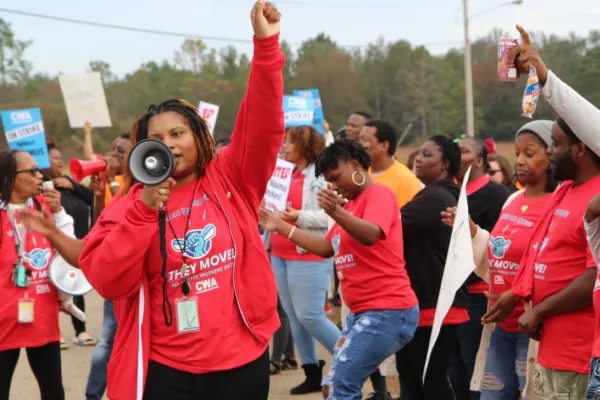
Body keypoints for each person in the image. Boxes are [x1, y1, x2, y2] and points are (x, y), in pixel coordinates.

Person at [77, 3, 283, 399]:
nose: (170, 144)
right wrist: (143, 211)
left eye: (179, 133)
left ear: (200, 138)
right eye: (160, 137)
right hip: (165, 368)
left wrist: (266, 47)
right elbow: (105, 278)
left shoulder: (229, 176)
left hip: (241, 359)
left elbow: (262, 125)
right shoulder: (128, 203)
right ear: (146, 148)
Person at [260, 139, 419, 400]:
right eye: (329, 182)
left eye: (336, 178)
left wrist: (336, 211)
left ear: (355, 165)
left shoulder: (378, 194)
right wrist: (281, 227)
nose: (334, 187)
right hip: (362, 314)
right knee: (330, 387)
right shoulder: (352, 206)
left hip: (387, 310)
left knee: (339, 387)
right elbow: (326, 247)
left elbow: (371, 234)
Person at [492, 24, 600, 399]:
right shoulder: (565, 191)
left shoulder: (597, 199)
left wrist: (538, 311)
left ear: (581, 149)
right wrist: (520, 294)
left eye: (553, 145)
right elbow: (542, 252)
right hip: (553, 345)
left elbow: (591, 276)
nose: (549, 153)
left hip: (581, 350)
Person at [443, 120, 558, 399]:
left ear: (553, 155)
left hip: (533, 330)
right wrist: (471, 230)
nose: (519, 161)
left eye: (529, 154)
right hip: (500, 327)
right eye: (517, 153)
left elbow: (555, 269)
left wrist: (519, 296)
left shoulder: (558, 204)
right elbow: (495, 256)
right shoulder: (514, 199)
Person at [395, 135, 469, 400]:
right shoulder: (441, 193)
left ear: (445, 164)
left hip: (431, 300)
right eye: (418, 152)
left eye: (427, 155)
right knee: (418, 378)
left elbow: (388, 228)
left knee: (428, 381)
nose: (418, 158)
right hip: (432, 298)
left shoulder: (434, 196)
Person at [269, 125, 340, 395]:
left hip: (309, 253)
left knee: (311, 316)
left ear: (305, 147)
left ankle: (355, 359)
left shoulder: (321, 175)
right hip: (280, 253)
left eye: (290, 142)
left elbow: (329, 218)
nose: (284, 147)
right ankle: (312, 371)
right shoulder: (284, 173)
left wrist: (296, 216)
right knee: (295, 318)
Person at [0, 150, 76, 400]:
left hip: (42, 314)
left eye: (38, 169)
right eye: (31, 171)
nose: (39, 176)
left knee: (53, 391)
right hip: (4, 320)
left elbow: (72, 252)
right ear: (9, 178)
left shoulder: (45, 207)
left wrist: (59, 214)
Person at [450, 136, 510, 400]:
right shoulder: (447, 193)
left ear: (480, 160)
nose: (455, 154)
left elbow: (498, 246)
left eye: (463, 151)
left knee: (475, 363)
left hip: (477, 294)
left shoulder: (497, 196)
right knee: (453, 367)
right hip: (450, 294)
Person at [43, 145, 96, 348]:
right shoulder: (41, 188)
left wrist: (72, 185)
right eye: (55, 158)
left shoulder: (70, 183)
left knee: (75, 286)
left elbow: (91, 198)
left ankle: (80, 330)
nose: (60, 161)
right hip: (54, 247)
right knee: (50, 289)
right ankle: (54, 333)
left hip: (78, 244)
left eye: (60, 158)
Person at [359, 120, 423, 207]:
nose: (359, 145)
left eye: (365, 140)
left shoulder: (406, 181)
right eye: (359, 139)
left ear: (384, 146)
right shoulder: (359, 174)